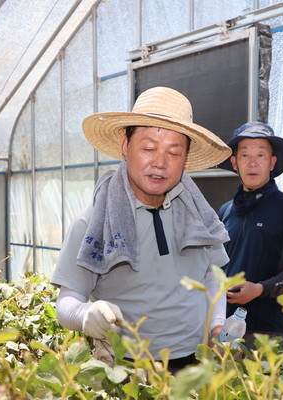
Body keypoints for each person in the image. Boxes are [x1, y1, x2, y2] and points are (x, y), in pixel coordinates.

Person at [52, 87, 232, 371]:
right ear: (126, 146)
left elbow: (212, 275)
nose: (160, 162)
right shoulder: (94, 221)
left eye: (174, 152)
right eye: (148, 148)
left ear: (185, 158)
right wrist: (86, 314)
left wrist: (217, 324)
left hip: (196, 367)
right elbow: (67, 302)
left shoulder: (200, 216)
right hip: (127, 374)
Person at [217, 122, 283, 345]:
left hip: (269, 331)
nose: (252, 163)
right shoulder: (225, 211)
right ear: (234, 162)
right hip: (225, 328)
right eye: (244, 155)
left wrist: (261, 289)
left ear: (272, 162)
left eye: (260, 155)